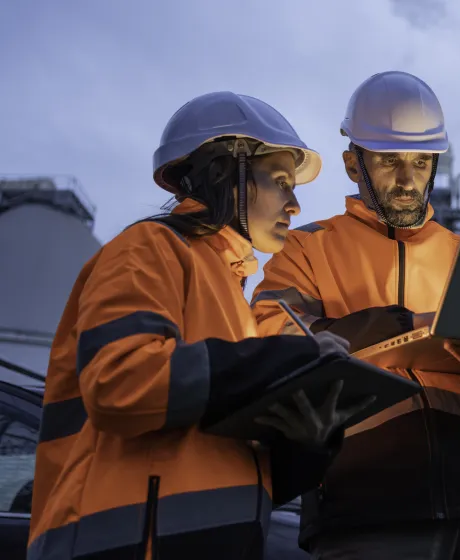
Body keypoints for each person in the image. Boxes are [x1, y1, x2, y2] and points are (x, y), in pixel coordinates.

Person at [27, 92, 371, 560]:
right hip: (120, 543)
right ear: (226, 173)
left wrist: (307, 443)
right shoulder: (148, 249)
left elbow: (234, 462)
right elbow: (120, 381)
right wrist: (283, 359)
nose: (294, 205)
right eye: (282, 182)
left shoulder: (231, 295)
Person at [251, 71, 460, 560]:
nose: (409, 179)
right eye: (389, 160)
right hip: (366, 510)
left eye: (420, 161)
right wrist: (392, 328)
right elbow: (272, 340)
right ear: (354, 164)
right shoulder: (306, 249)